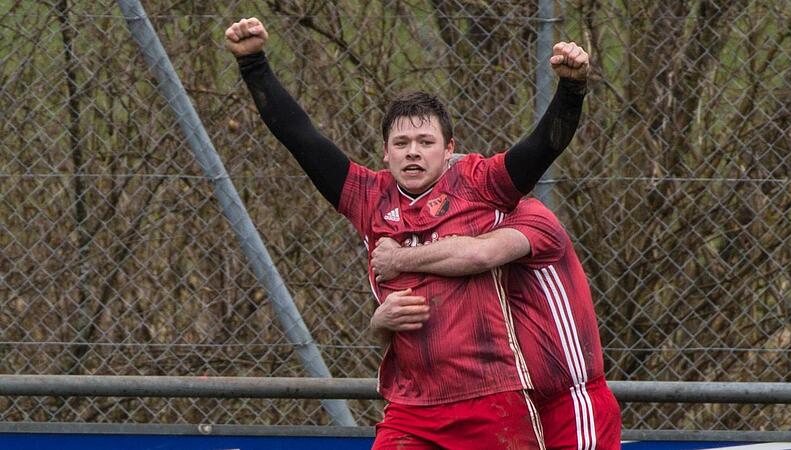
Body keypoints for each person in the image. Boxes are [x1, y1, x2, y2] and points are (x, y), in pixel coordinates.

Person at [225, 17, 590, 449]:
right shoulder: (368, 196)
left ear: (449, 148)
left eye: (425, 141)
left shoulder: (481, 184)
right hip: (411, 406)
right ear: (385, 151)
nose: (412, 151)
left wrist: (570, 91)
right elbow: (300, 137)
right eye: (401, 143)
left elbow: (542, 146)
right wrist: (253, 64)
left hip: (491, 398)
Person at [370, 197, 622, 450]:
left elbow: (481, 254)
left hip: (567, 404)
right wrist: (379, 323)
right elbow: (424, 329)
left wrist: (396, 258)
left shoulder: (529, 217)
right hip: (502, 409)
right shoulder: (445, 248)